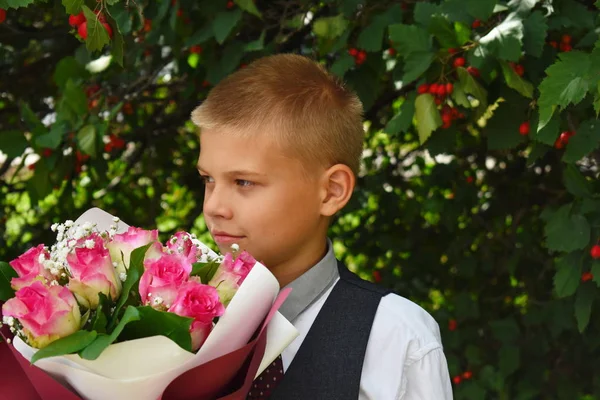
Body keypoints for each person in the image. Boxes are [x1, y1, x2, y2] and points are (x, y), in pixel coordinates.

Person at [191, 53, 453, 399]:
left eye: (243, 182)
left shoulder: (396, 338)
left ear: (330, 191)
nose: (214, 207)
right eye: (208, 179)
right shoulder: (177, 312)